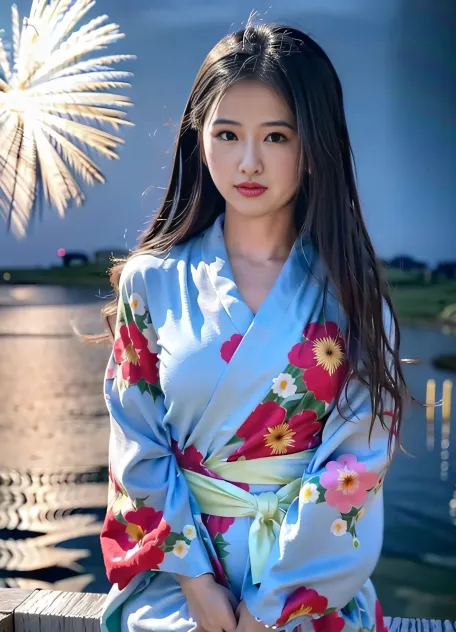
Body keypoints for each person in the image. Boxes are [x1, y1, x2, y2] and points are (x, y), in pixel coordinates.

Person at [97, 22, 410, 632]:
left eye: (275, 136)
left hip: (310, 591)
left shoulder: (352, 295)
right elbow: (137, 444)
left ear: (314, 144)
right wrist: (198, 587)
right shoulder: (150, 282)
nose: (248, 161)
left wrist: (269, 612)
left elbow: (356, 465)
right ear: (199, 138)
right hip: (181, 587)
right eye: (227, 134)